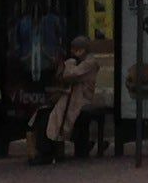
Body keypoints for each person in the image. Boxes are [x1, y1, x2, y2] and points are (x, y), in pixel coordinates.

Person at [32, 35, 99, 164]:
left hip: (80, 99)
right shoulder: (79, 62)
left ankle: (47, 152)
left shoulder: (90, 63)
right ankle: (46, 150)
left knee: (52, 115)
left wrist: (67, 64)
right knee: (44, 113)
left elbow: (71, 75)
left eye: (76, 50)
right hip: (72, 97)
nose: (73, 53)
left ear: (83, 49)